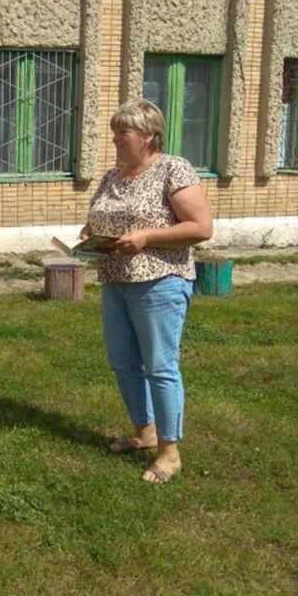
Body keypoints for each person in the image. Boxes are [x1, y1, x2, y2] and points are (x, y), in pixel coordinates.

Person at [82, 98, 213, 484]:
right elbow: (98, 219)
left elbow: (201, 228)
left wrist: (146, 237)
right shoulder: (113, 175)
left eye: (123, 131)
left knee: (160, 367)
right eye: (114, 131)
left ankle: (170, 453)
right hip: (116, 280)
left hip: (160, 281)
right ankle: (145, 432)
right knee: (123, 362)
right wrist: (91, 235)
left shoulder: (174, 169)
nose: (115, 138)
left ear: (149, 136)